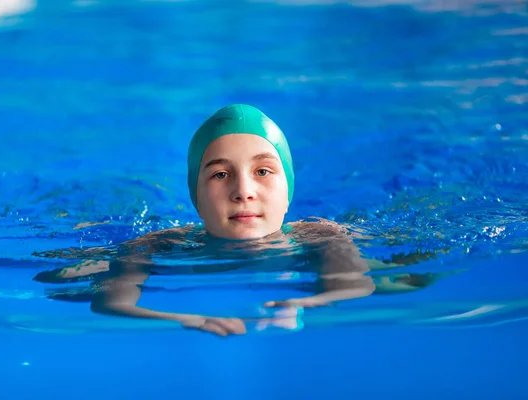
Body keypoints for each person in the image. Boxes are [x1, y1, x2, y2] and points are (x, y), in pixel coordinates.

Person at [33, 104, 446, 336]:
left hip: (309, 251)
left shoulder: (321, 235)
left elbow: (355, 286)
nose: (243, 190)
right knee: (57, 280)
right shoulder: (156, 245)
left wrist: (305, 302)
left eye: (264, 171)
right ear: (196, 198)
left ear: (288, 195)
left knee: (410, 276)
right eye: (219, 174)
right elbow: (111, 302)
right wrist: (186, 319)